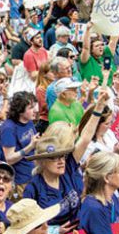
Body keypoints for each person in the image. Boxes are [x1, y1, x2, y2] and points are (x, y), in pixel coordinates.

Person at [23, 90, 108, 225]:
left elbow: (85, 139)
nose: (61, 161)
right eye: (54, 157)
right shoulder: (33, 189)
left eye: (62, 156)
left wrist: (98, 108)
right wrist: (55, 232)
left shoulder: (68, 168)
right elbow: (28, 226)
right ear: (42, 160)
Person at [0, 91, 39, 191]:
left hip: (32, 174)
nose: (35, 110)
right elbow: (9, 158)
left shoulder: (29, 121)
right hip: (20, 181)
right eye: (31, 108)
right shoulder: (8, 128)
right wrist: (30, 146)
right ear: (20, 111)